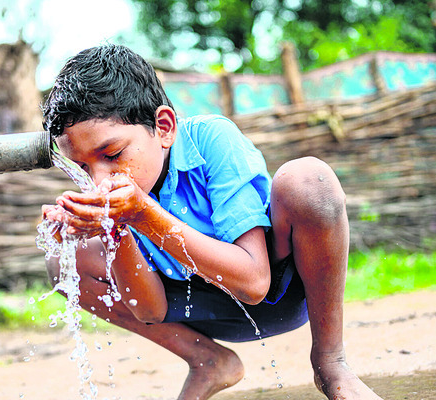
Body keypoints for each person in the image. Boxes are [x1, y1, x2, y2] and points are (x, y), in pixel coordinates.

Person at [40, 43, 383, 400]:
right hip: (201, 312)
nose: (98, 181)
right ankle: (208, 360)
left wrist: (143, 213)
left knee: (309, 180)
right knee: (63, 260)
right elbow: (149, 311)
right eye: (82, 168)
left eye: (112, 154)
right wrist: (118, 230)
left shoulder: (211, 140)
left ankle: (331, 362)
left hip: (278, 294)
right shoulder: (122, 196)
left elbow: (254, 283)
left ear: (164, 127)